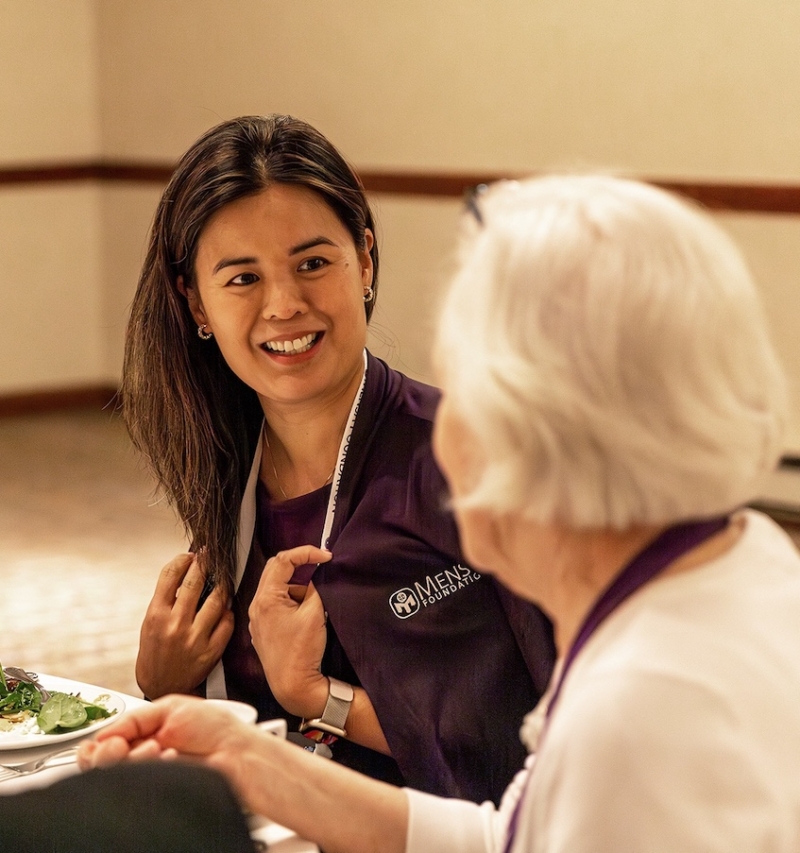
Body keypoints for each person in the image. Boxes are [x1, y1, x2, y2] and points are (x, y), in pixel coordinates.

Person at [81, 174, 800, 853]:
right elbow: (511, 834)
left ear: (541, 425)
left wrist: (319, 702)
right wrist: (251, 758)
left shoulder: (635, 705)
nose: (444, 428)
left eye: (468, 386)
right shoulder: (752, 553)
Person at [121, 114, 554, 800]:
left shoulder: (474, 458)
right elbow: (238, 741)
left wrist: (321, 697)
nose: (285, 304)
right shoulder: (230, 475)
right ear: (194, 302)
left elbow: (543, 747)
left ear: (367, 261)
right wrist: (166, 683)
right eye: (242, 279)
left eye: (313, 263)